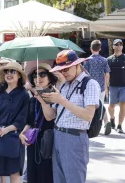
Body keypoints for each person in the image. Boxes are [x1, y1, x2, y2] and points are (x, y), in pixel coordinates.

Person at [41, 50, 100, 183]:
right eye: (61, 70)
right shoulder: (64, 85)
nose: (64, 73)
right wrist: (42, 100)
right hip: (58, 135)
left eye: (67, 68)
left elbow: (88, 115)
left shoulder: (90, 84)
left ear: (77, 65)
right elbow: (51, 116)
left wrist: (62, 100)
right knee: (59, 179)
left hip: (75, 137)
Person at [0, 62, 28, 183]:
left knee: (15, 174)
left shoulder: (24, 95)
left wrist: (7, 129)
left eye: (13, 71)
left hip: (14, 138)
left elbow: (23, 119)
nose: (9, 74)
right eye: (6, 72)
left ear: (19, 75)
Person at [19, 63, 56, 183]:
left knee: (46, 175)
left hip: (48, 141)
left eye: (42, 74)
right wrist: (23, 132)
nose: (38, 78)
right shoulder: (32, 100)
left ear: (50, 77)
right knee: (32, 174)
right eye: (35, 75)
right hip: (33, 141)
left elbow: (50, 117)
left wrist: (40, 98)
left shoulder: (55, 96)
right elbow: (29, 121)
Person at [83, 40, 111, 134]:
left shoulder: (87, 60)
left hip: (90, 87)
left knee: (90, 106)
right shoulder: (104, 60)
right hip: (101, 87)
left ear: (91, 48)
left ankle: (92, 126)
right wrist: (107, 87)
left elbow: (85, 74)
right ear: (100, 49)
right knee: (101, 105)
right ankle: (106, 121)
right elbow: (107, 74)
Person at [107, 39, 125, 133]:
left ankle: (119, 125)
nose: (118, 46)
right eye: (116, 44)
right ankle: (112, 118)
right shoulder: (109, 60)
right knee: (111, 106)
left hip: (124, 87)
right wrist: (106, 87)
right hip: (113, 86)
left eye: (120, 44)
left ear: (122, 46)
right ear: (113, 46)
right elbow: (106, 75)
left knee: (123, 105)